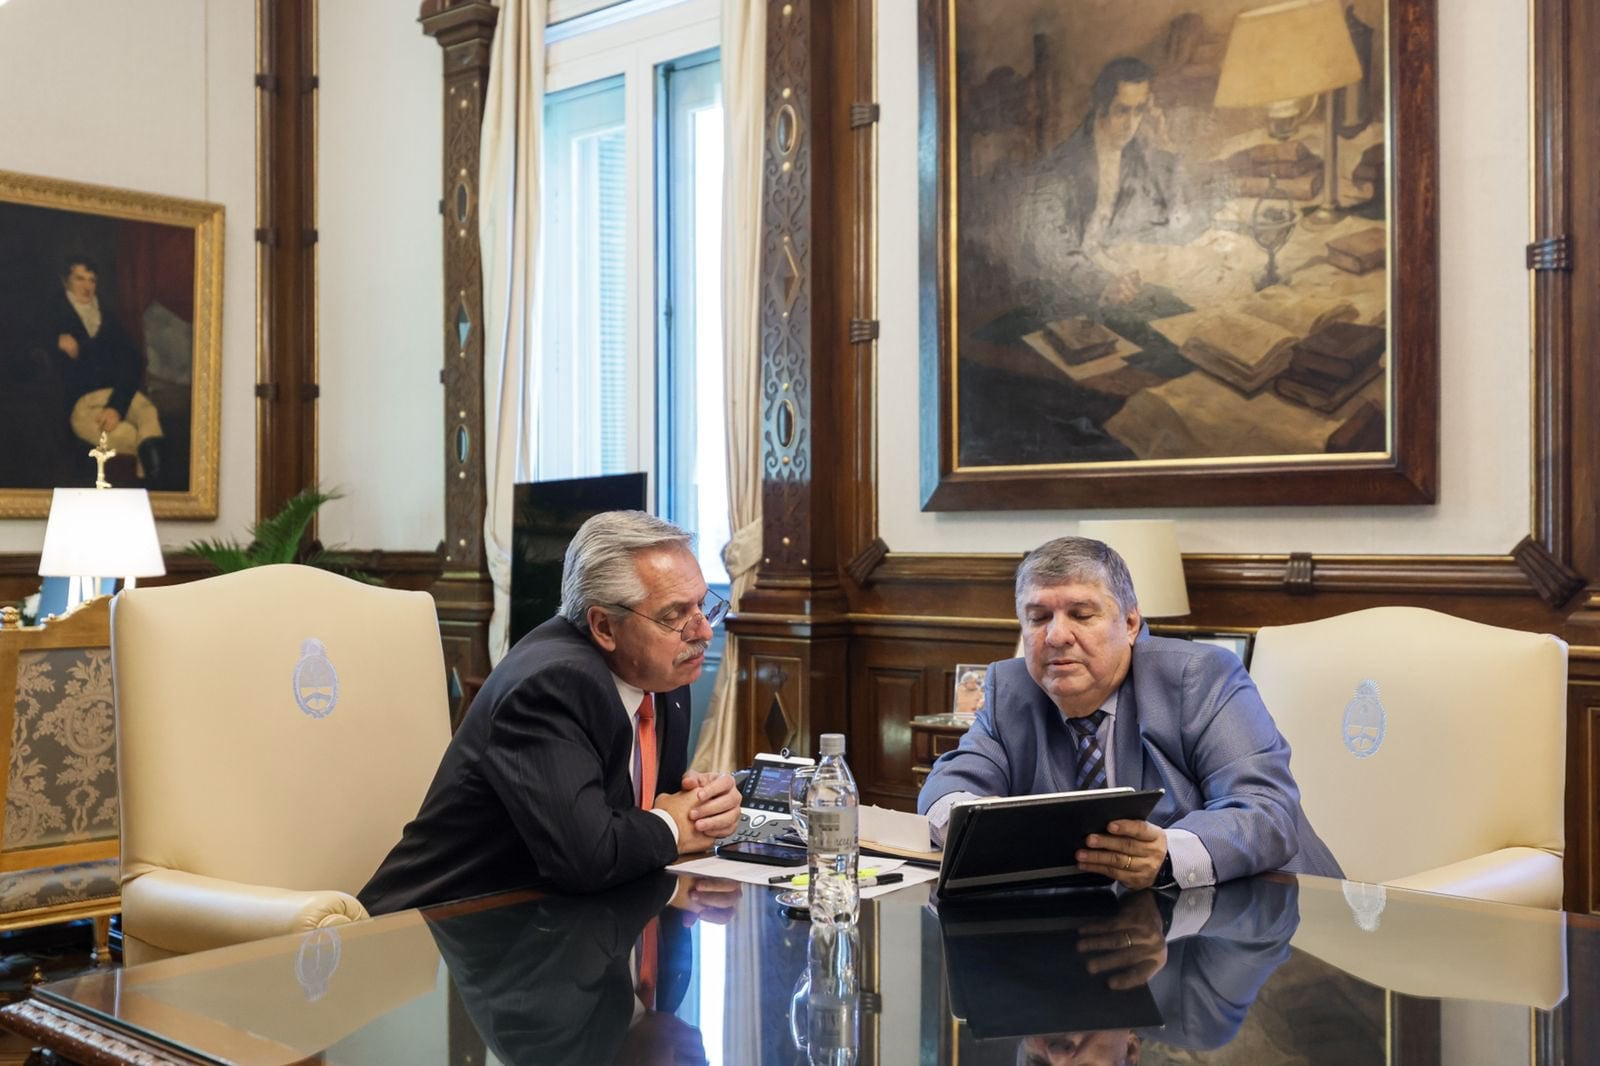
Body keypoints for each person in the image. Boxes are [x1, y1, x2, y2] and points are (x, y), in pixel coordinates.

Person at [359, 511, 741, 913]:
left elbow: (647, 820)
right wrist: (673, 825)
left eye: (702, 606)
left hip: (565, 930)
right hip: (434, 936)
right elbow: (589, 858)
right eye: (674, 616)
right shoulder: (551, 686)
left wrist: (702, 812)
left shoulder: (663, 678)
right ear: (604, 628)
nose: (703, 632)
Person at [917, 536, 1341, 890]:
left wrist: (1168, 853)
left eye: (1082, 615)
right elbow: (947, 785)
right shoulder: (1012, 688)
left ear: (1132, 623)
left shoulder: (1201, 676)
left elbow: (1266, 812)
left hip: (1274, 924)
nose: (1057, 635)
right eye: (1038, 617)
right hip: (1102, 932)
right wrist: (966, 824)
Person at [427, 872, 738, 1065]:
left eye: (688, 1063)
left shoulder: (554, 1038)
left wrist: (673, 887)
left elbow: (591, 921)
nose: (699, 1053)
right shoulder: (667, 998)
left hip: (456, 904)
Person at [48, 257, 166, 483]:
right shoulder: (52, 312)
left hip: (117, 395)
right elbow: (17, 345)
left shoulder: (108, 316)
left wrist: (116, 407)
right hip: (83, 404)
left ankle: (159, 496)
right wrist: (52, 340)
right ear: (65, 281)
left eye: (92, 280)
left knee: (148, 414)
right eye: (80, 278)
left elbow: (134, 360)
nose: (87, 286)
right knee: (131, 437)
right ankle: (156, 495)